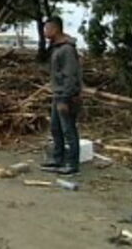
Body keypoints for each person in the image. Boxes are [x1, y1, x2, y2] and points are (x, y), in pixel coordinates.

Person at [40, 16, 83, 175]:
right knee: (55, 128)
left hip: (66, 96)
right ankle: (58, 159)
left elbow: (70, 76)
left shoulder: (66, 49)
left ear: (55, 29)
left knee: (68, 129)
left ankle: (72, 164)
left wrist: (65, 98)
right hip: (57, 94)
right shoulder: (56, 47)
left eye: (47, 28)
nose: (45, 32)